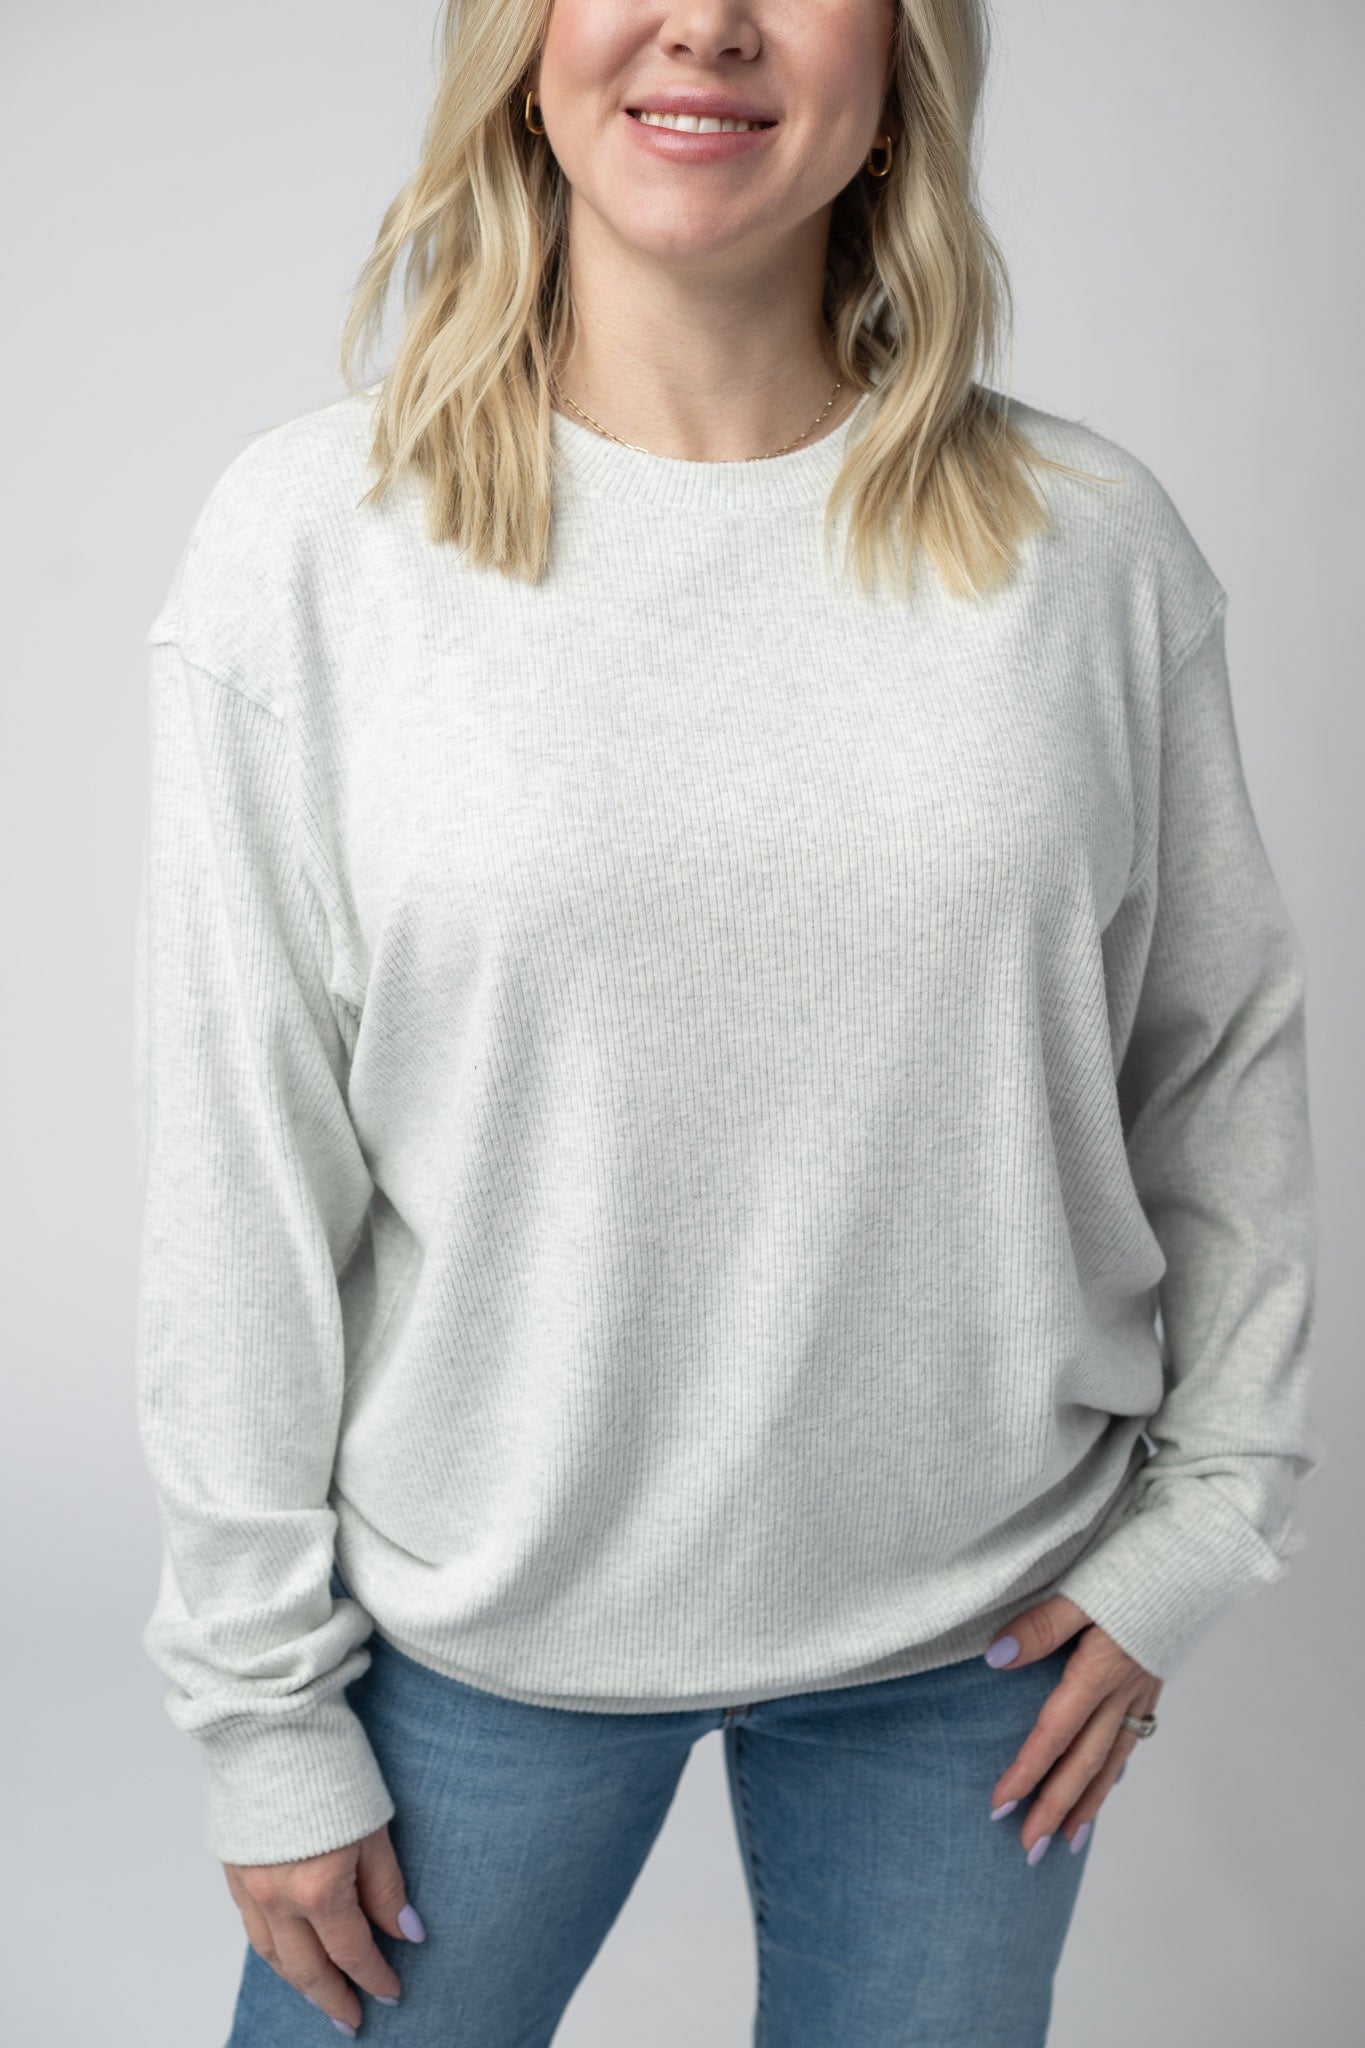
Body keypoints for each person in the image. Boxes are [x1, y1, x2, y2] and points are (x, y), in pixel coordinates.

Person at [132, 2, 1325, 2042]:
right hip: (479, 1628)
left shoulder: (1086, 547)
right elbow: (238, 1162)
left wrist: (1208, 1516)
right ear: (524, 47)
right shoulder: (315, 544)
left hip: (976, 1644)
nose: (705, 21)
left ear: (897, 64)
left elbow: (1211, 1065)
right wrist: (260, 1712)